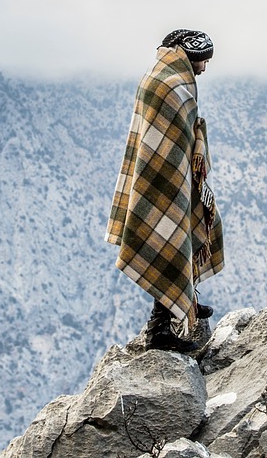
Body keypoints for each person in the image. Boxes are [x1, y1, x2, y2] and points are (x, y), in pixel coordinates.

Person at [106, 29, 224, 353]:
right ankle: (160, 329)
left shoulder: (162, 75)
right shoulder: (173, 85)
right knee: (168, 241)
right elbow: (170, 137)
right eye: (203, 61)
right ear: (191, 56)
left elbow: (181, 133)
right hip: (163, 184)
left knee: (182, 236)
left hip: (171, 179)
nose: (204, 68)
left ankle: (182, 300)